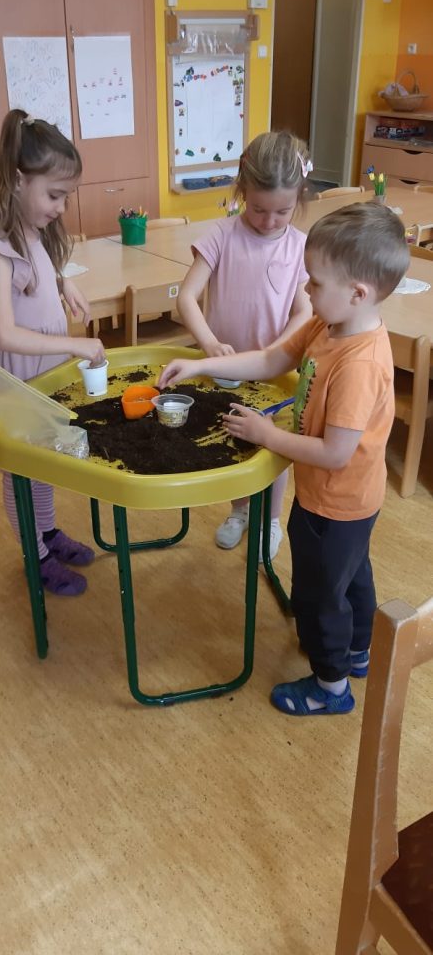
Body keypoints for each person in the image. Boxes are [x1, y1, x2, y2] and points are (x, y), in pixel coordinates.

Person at [158, 202, 410, 716]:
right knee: (350, 575)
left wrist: (266, 435)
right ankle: (357, 651)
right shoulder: (326, 325)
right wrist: (201, 364)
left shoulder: (359, 363)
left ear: (358, 292)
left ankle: (330, 687)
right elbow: (273, 358)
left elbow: (335, 453)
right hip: (347, 499)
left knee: (318, 595)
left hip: (335, 502)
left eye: (314, 281)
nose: (306, 290)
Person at [0, 109, 105, 598]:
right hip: (18, 379)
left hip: (41, 377)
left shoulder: (31, 234)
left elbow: (36, 275)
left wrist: (63, 284)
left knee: (42, 462)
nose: (61, 207)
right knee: (23, 472)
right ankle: (36, 555)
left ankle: (46, 532)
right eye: (54, 195)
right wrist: (73, 344)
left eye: (66, 197)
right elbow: (3, 332)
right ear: (19, 181)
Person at [177, 130, 312, 561]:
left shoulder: (300, 247)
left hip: (274, 374)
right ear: (242, 192)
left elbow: (304, 311)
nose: (269, 221)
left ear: (298, 200)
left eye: (282, 212)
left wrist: (278, 351)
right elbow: (186, 297)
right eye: (258, 209)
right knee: (234, 438)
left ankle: (270, 519)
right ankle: (239, 511)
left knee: (271, 445)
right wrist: (209, 343)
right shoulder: (221, 235)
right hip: (227, 371)